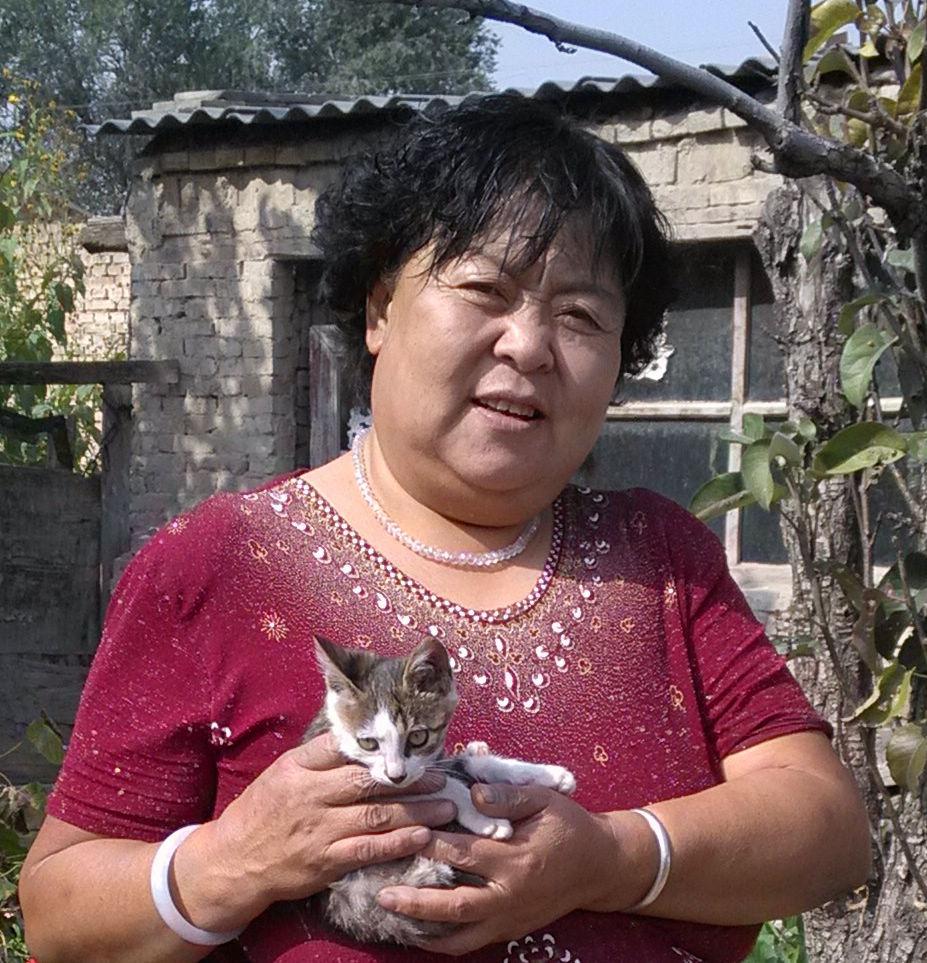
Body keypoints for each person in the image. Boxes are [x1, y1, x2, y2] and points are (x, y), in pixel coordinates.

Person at [20, 93, 870, 963]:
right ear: (380, 308)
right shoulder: (218, 564)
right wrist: (234, 859)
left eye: (580, 315)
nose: (528, 345)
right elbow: (57, 915)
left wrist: (609, 859)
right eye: (483, 290)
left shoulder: (660, 561)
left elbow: (828, 829)